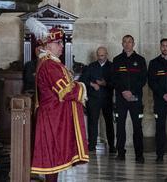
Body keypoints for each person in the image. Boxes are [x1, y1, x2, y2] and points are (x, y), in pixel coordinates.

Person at [27, 20, 89, 180]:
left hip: (55, 115)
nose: (62, 46)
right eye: (58, 43)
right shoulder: (49, 65)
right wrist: (82, 87)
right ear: (48, 46)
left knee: (54, 157)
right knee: (51, 157)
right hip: (52, 116)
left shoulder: (51, 63)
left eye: (61, 43)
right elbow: (66, 91)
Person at [112, 34, 147, 163]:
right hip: (121, 99)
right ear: (122, 44)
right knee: (120, 127)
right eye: (125, 42)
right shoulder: (117, 60)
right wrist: (123, 91)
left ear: (134, 44)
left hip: (135, 98)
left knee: (137, 126)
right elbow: (114, 79)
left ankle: (139, 154)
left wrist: (131, 92)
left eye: (130, 42)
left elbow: (143, 79)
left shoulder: (140, 60)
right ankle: (120, 152)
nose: (127, 44)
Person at [79, 46, 116, 154]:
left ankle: (112, 146)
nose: (100, 57)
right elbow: (82, 80)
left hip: (107, 99)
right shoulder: (91, 66)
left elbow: (115, 83)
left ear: (107, 54)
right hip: (93, 99)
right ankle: (92, 146)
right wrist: (93, 84)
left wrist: (105, 84)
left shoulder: (112, 67)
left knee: (109, 123)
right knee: (92, 122)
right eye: (98, 55)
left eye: (102, 55)